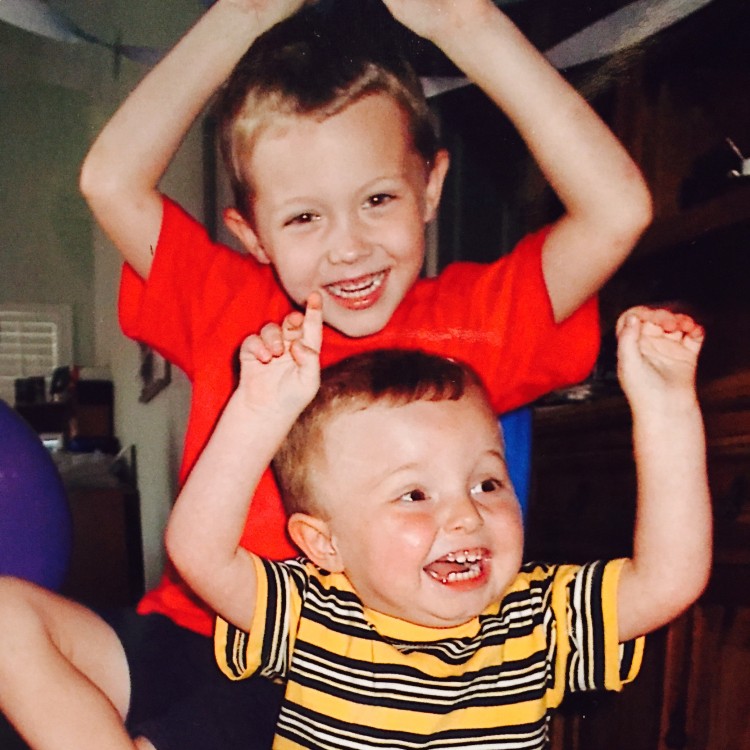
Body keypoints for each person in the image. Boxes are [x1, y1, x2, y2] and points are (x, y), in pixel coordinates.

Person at [0, 0, 652, 748]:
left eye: (378, 199)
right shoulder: (228, 304)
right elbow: (109, 180)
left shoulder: (470, 326)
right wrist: (237, 18)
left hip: (325, 667)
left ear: (430, 190)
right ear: (253, 236)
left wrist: (467, 26)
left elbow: (617, 210)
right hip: (184, 628)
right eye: (305, 219)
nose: (349, 247)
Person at [165, 295, 711, 750]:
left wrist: (667, 410)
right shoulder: (311, 616)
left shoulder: (540, 618)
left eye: (487, 484)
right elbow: (198, 551)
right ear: (325, 544)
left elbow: (669, 580)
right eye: (415, 494)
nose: (465, 515)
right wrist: (258, 413)